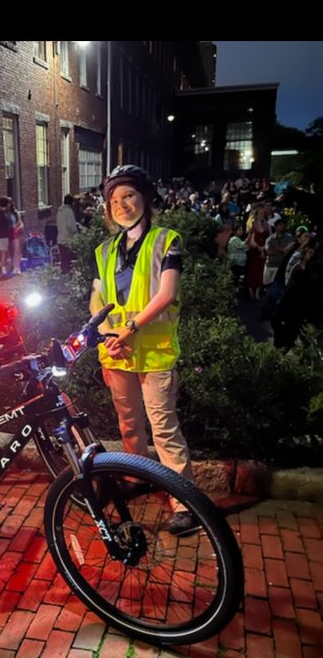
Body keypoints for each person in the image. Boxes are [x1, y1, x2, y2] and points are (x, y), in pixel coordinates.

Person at [90, 164, 197, 536]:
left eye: (129, 196)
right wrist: (108, 336)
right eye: (114, 200)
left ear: (145, 198)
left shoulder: (166, 241)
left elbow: (166, 294)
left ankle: (185, 504)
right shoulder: (105, 251)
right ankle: (138, 478)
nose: (122, 205)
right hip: (117, 352)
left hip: (154, 352)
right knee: (129, 425)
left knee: (164, 428)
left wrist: (128, 330)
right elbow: (97, 300)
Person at [55, 193, 79, 274]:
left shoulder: (59, 212)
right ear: (71, 202)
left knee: (63, 261)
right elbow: (71, 226)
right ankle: (68, 277)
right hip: (67, 240)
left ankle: (63, 277)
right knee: (68, 262)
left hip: (60, 239)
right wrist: (76, 229)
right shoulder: (69, 211)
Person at [0, 196, 13, 277]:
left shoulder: (4, 213)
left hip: (5, 236)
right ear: (7, 204)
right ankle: (3, 270)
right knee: (3, 253)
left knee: (4, 252)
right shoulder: (1, 214)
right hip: (3, 236)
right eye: (9, 203)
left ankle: (3, 269)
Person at [8, 198, 25, 275]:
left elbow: (20, 223)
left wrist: (16, 228)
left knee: (16, 252)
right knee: (12, 252)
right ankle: (14, 267)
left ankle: (17, 268)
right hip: (10, 235)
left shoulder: (16, 213)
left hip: (16, 235)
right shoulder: (7, 214)